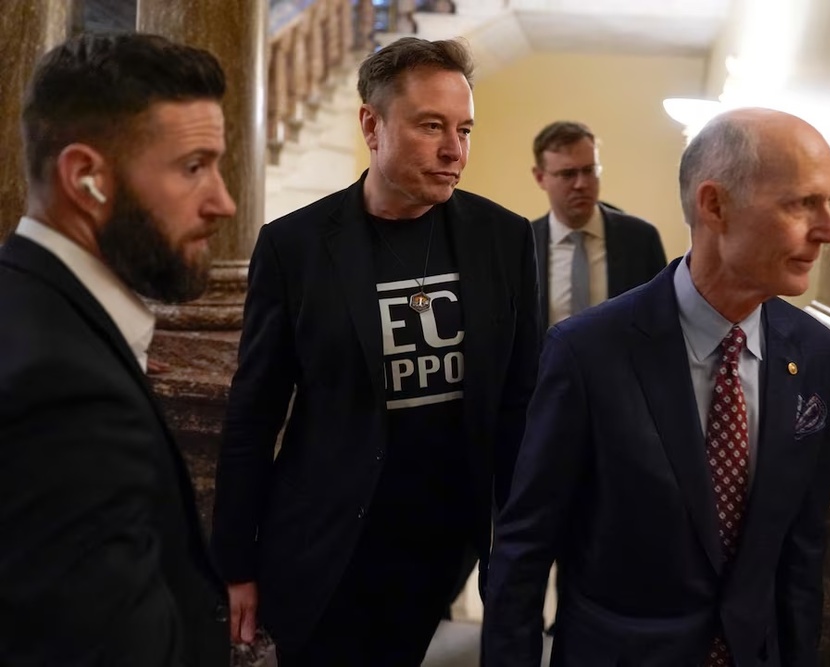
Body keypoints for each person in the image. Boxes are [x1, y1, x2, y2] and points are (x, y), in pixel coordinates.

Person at [211, 36, 540, 666]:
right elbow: (253, 416)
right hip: (326, 544)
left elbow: (519, 406)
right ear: (372, 124)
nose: (455, 150)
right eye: (432, 127)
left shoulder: (502, 238)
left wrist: (519, 553)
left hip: (443, 545)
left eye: (465, 129)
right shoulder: (296, 247)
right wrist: (236, 563)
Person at [484, 108, 830, 666]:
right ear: (715, 205)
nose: (829, 230)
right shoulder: (586, 353)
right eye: (801, 203)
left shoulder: (818, 355)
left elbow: (803, 549)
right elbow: (525, 549)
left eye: (828, 203)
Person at [0, 33, 236, 665]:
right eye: (193, 167)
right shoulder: (61, 386)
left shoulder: (27, 301)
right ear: (86, 177)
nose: (223, 202)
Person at [530, 121, 666, 332]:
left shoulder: (640, 239)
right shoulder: (524, 244)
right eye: (568, 174)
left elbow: (660, 318)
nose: (581, 184)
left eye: (589, 170)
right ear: (540, 178)